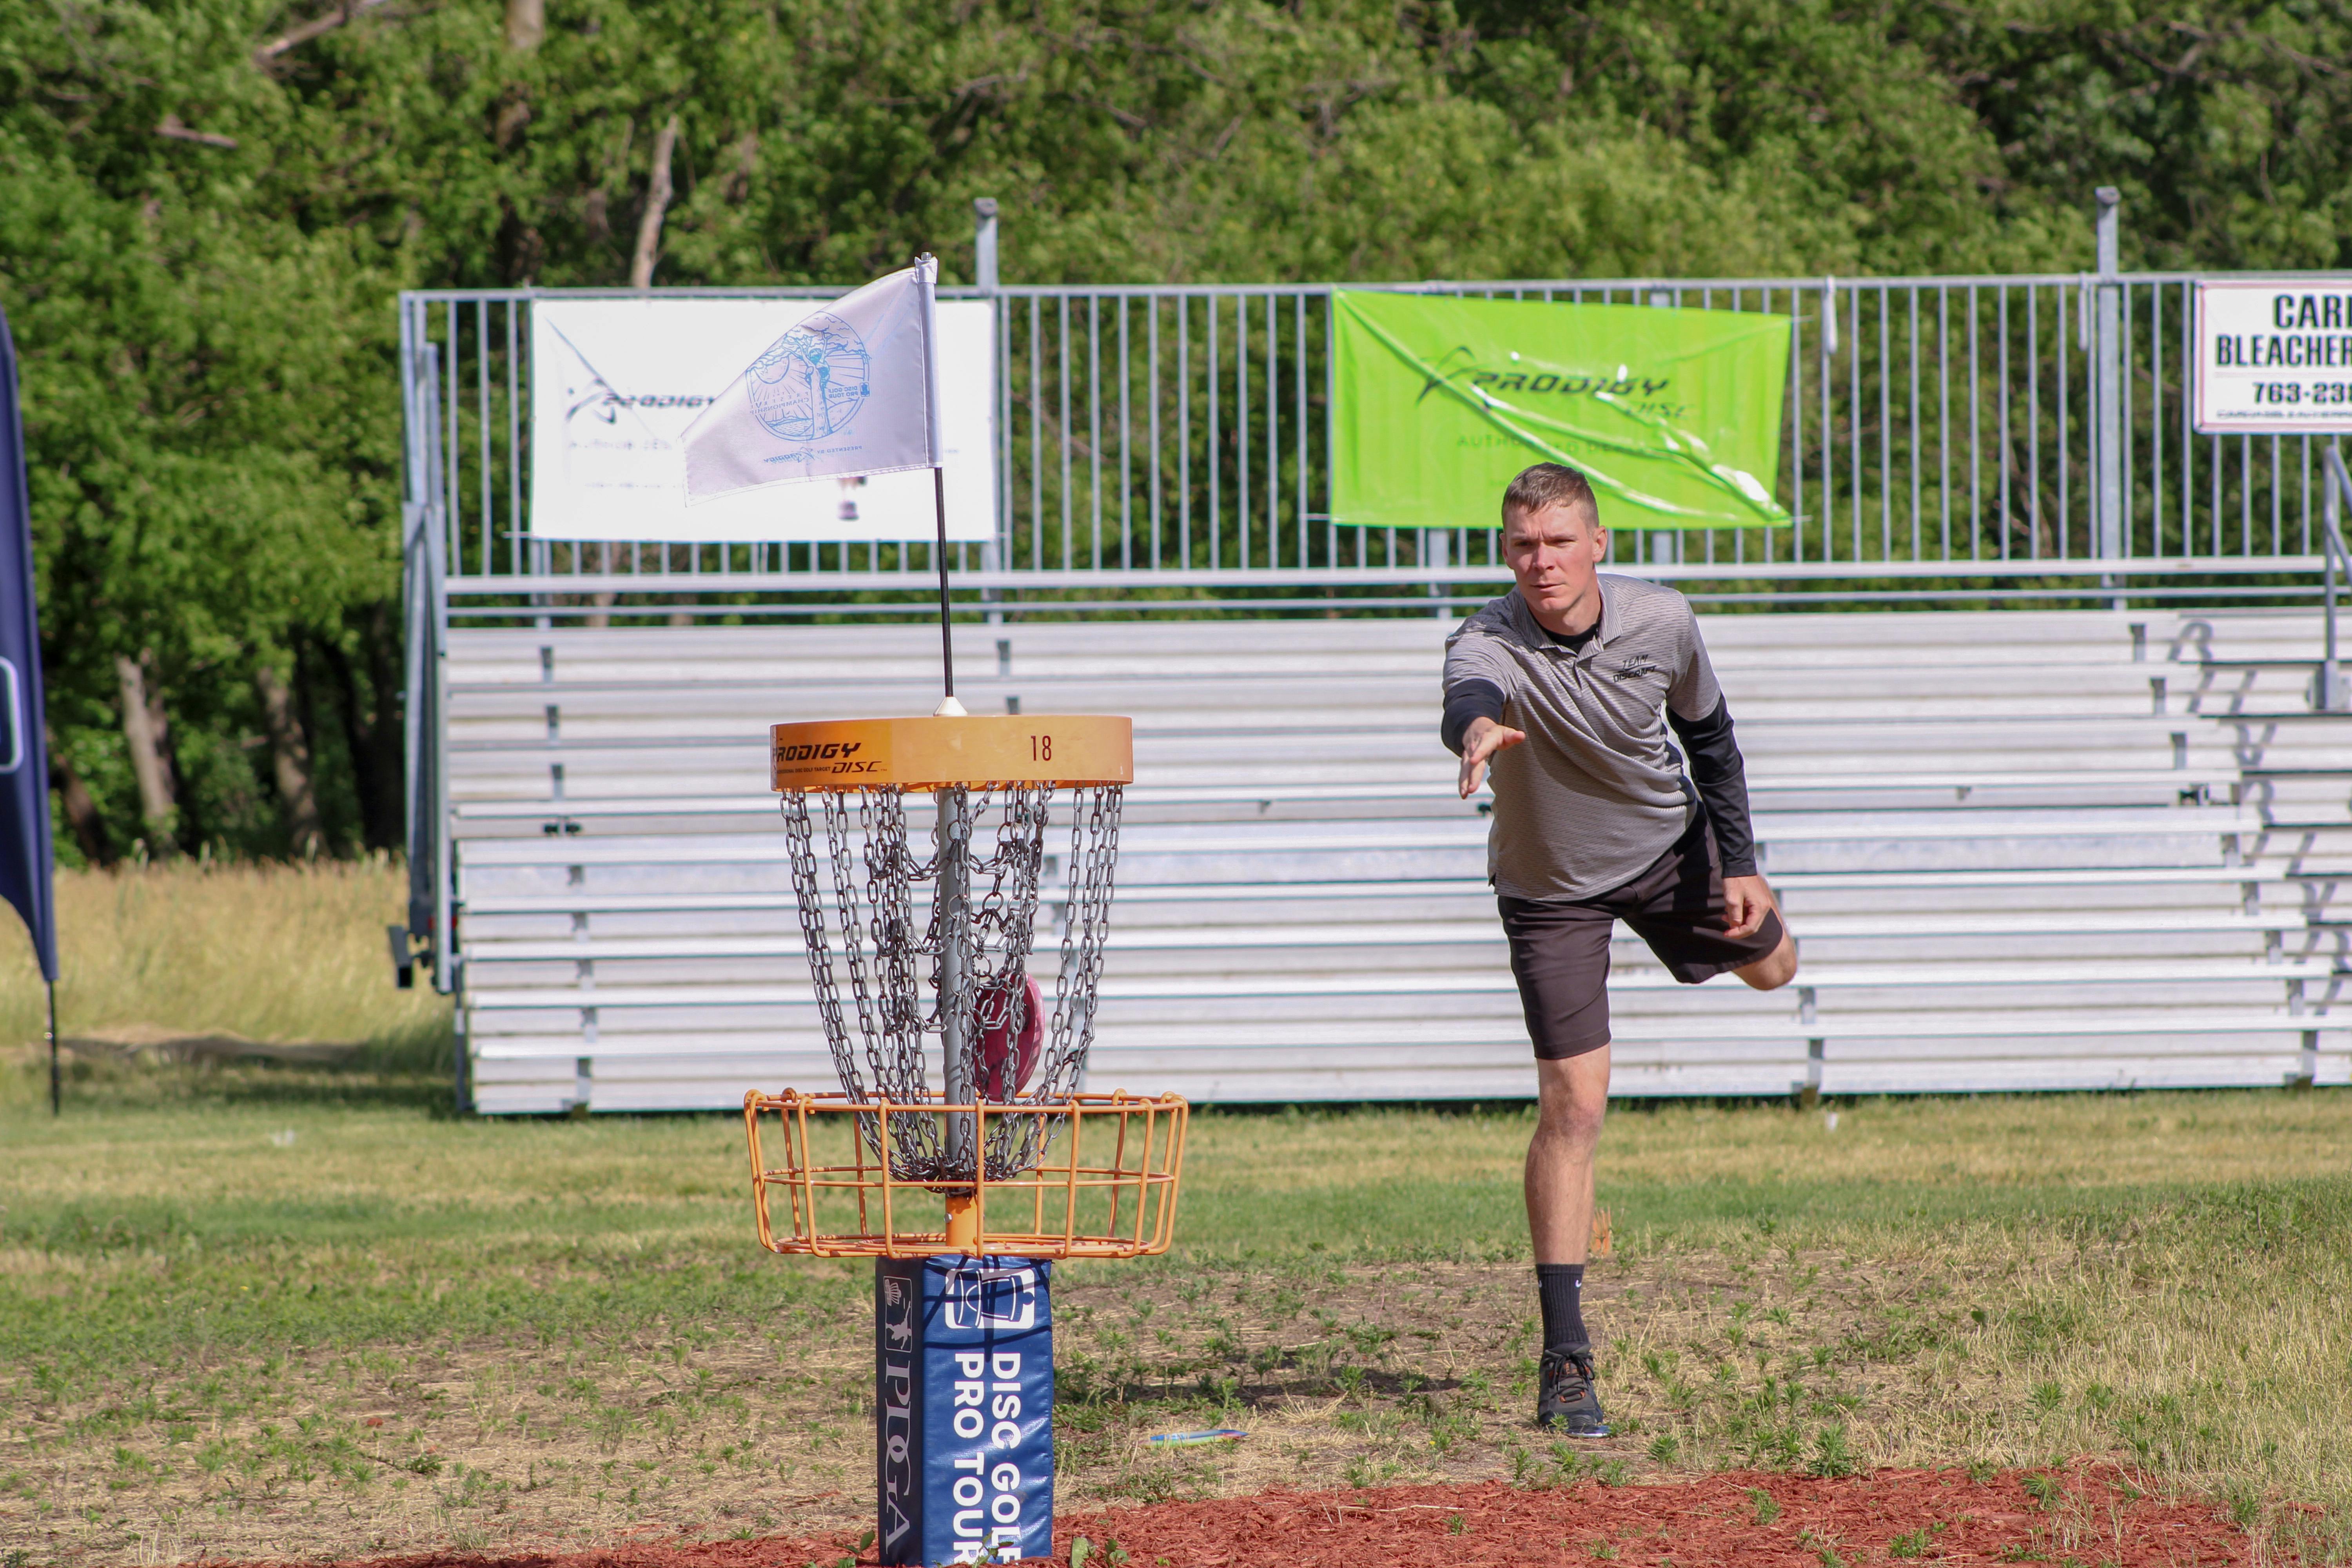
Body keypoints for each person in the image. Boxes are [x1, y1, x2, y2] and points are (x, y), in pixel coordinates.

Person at [1441, 461, 1798, 1437]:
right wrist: (1474, 731)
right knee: (1575, 1104)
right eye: (1522, 545)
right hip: (1549, 887)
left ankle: (1754, 919)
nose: (1540, 562)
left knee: (1776, 965)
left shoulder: (1663, 623)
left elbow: (1713, 741)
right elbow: (1466, 695)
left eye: (1558, 542)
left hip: (1666, 849)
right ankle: (1565, 1360)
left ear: (1598, 544)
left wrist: (1745, 865)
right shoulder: (1486, 638)